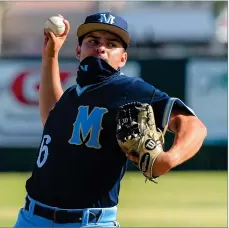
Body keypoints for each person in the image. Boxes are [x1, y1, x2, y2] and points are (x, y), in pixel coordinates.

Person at [14, 12, 207, 227]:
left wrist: (170, 159)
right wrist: (50, 56)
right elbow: (51, 117)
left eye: (112, 44)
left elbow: (194, 125)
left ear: (123, 58)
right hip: (30, 218)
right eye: (93, 41)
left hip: (89, 222)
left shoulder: (129, 90)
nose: (101, 48)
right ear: (79, 50)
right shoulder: (72, 94)